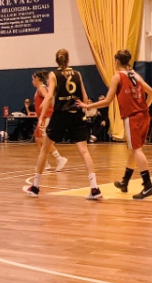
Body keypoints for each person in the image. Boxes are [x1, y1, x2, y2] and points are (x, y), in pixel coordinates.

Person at [78, 49, 152, 199]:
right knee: (133, 150)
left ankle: (148, 186)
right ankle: (125, 181)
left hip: (132, 116)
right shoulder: (136, 75)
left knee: (137, 149)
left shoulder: (117, 77)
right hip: (143, 115)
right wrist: (145, 106)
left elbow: (108, 101)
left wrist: (88, 106)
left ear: (116, 61)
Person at [24, 49, 102, 200]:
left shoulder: (53, 75)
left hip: (60, 114)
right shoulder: (78, 74)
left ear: (56, 60)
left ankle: (35, 187)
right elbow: (85, 97)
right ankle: (94, 188)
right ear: (68, 60)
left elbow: (49, 96)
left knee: (44, 149)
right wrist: (84, 107)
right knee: (84, 151)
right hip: (76, 114)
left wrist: (40, 117)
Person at [31, 70, 68, 171]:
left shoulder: (41, 89)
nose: (32, 81)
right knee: (38, 140)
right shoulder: (40, 89)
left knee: (45, 140)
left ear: (37, 79)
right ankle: (45, 163)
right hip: (42, 117)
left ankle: (60, 159)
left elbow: (49, 97)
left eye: (32, 79)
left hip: (46, 117)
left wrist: (45, 105)